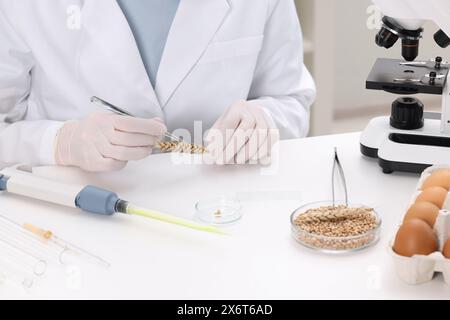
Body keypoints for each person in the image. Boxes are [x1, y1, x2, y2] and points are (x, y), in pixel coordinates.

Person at [0, 0, 316, 172]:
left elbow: (291, 99)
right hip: (73, 207)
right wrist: (60, 142)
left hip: (218, 207)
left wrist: (263, 120)